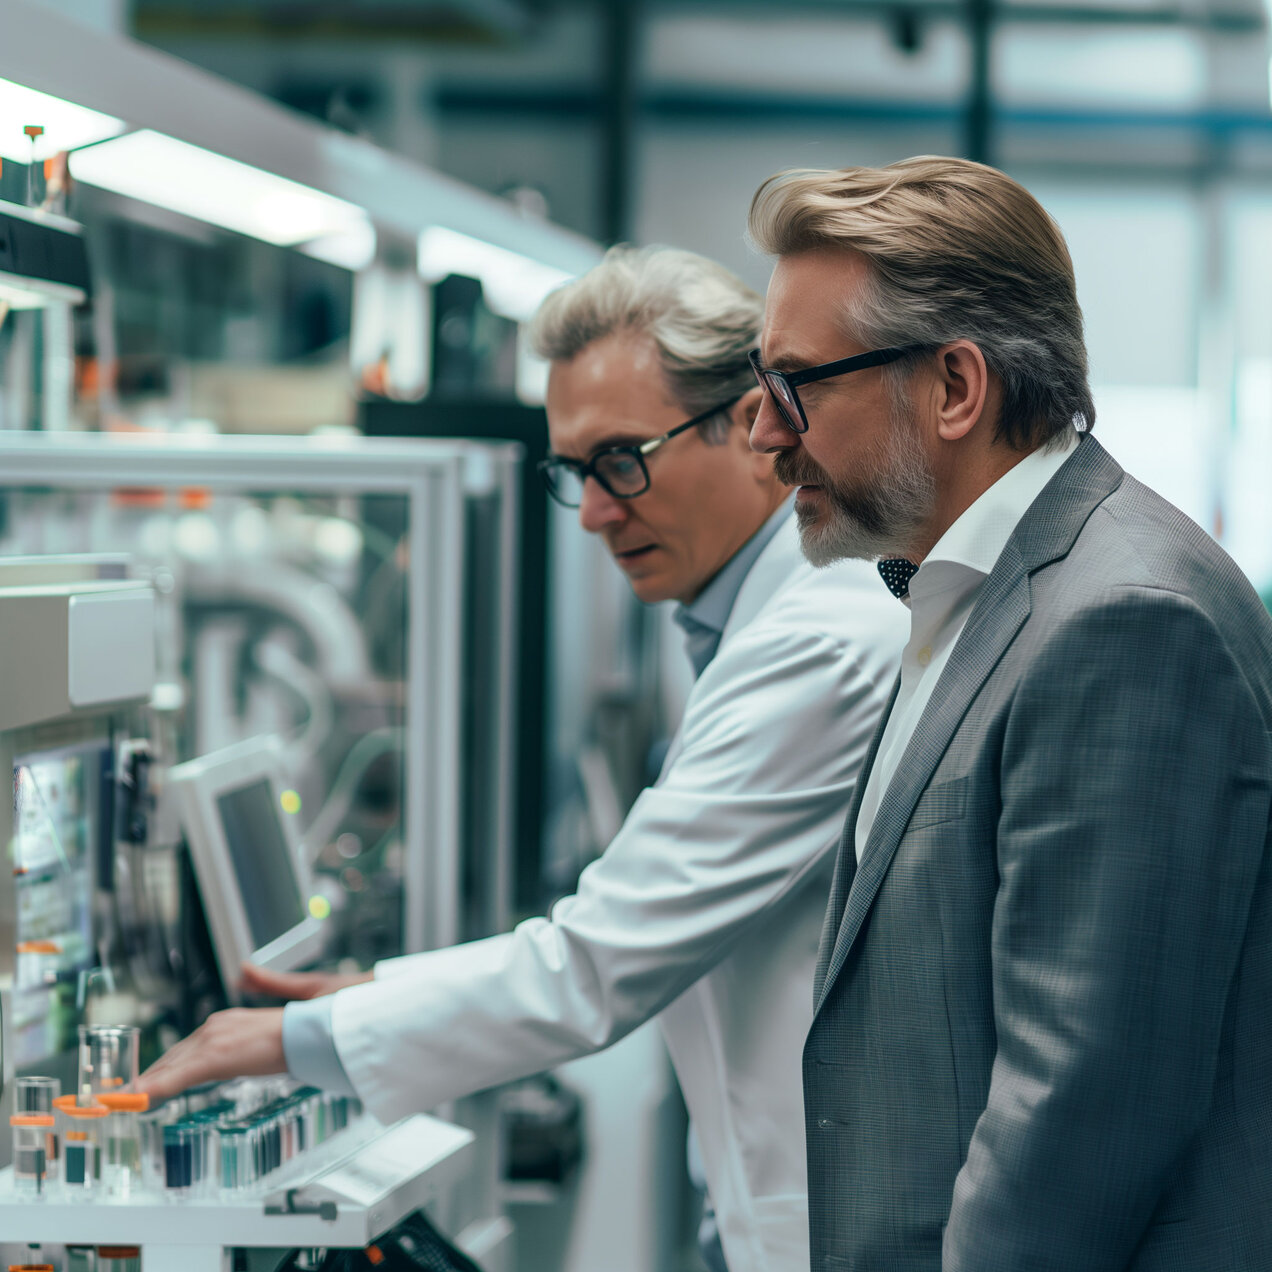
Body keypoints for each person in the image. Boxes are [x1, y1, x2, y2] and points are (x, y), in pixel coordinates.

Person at [138, 245, 905, 1272]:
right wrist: (368, 1002)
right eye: (572, 472)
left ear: (752, 426)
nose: (591, 512)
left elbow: (597, 966)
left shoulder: (821, 638)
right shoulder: (747, 626)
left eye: (622, 460)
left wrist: (283, 1043)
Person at [745, 155, 1272, 1272]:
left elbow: (1080, 1115)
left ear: (954, 388)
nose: (763, 433)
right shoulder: (969, 596)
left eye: (798, 386)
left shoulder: (1123, 623)